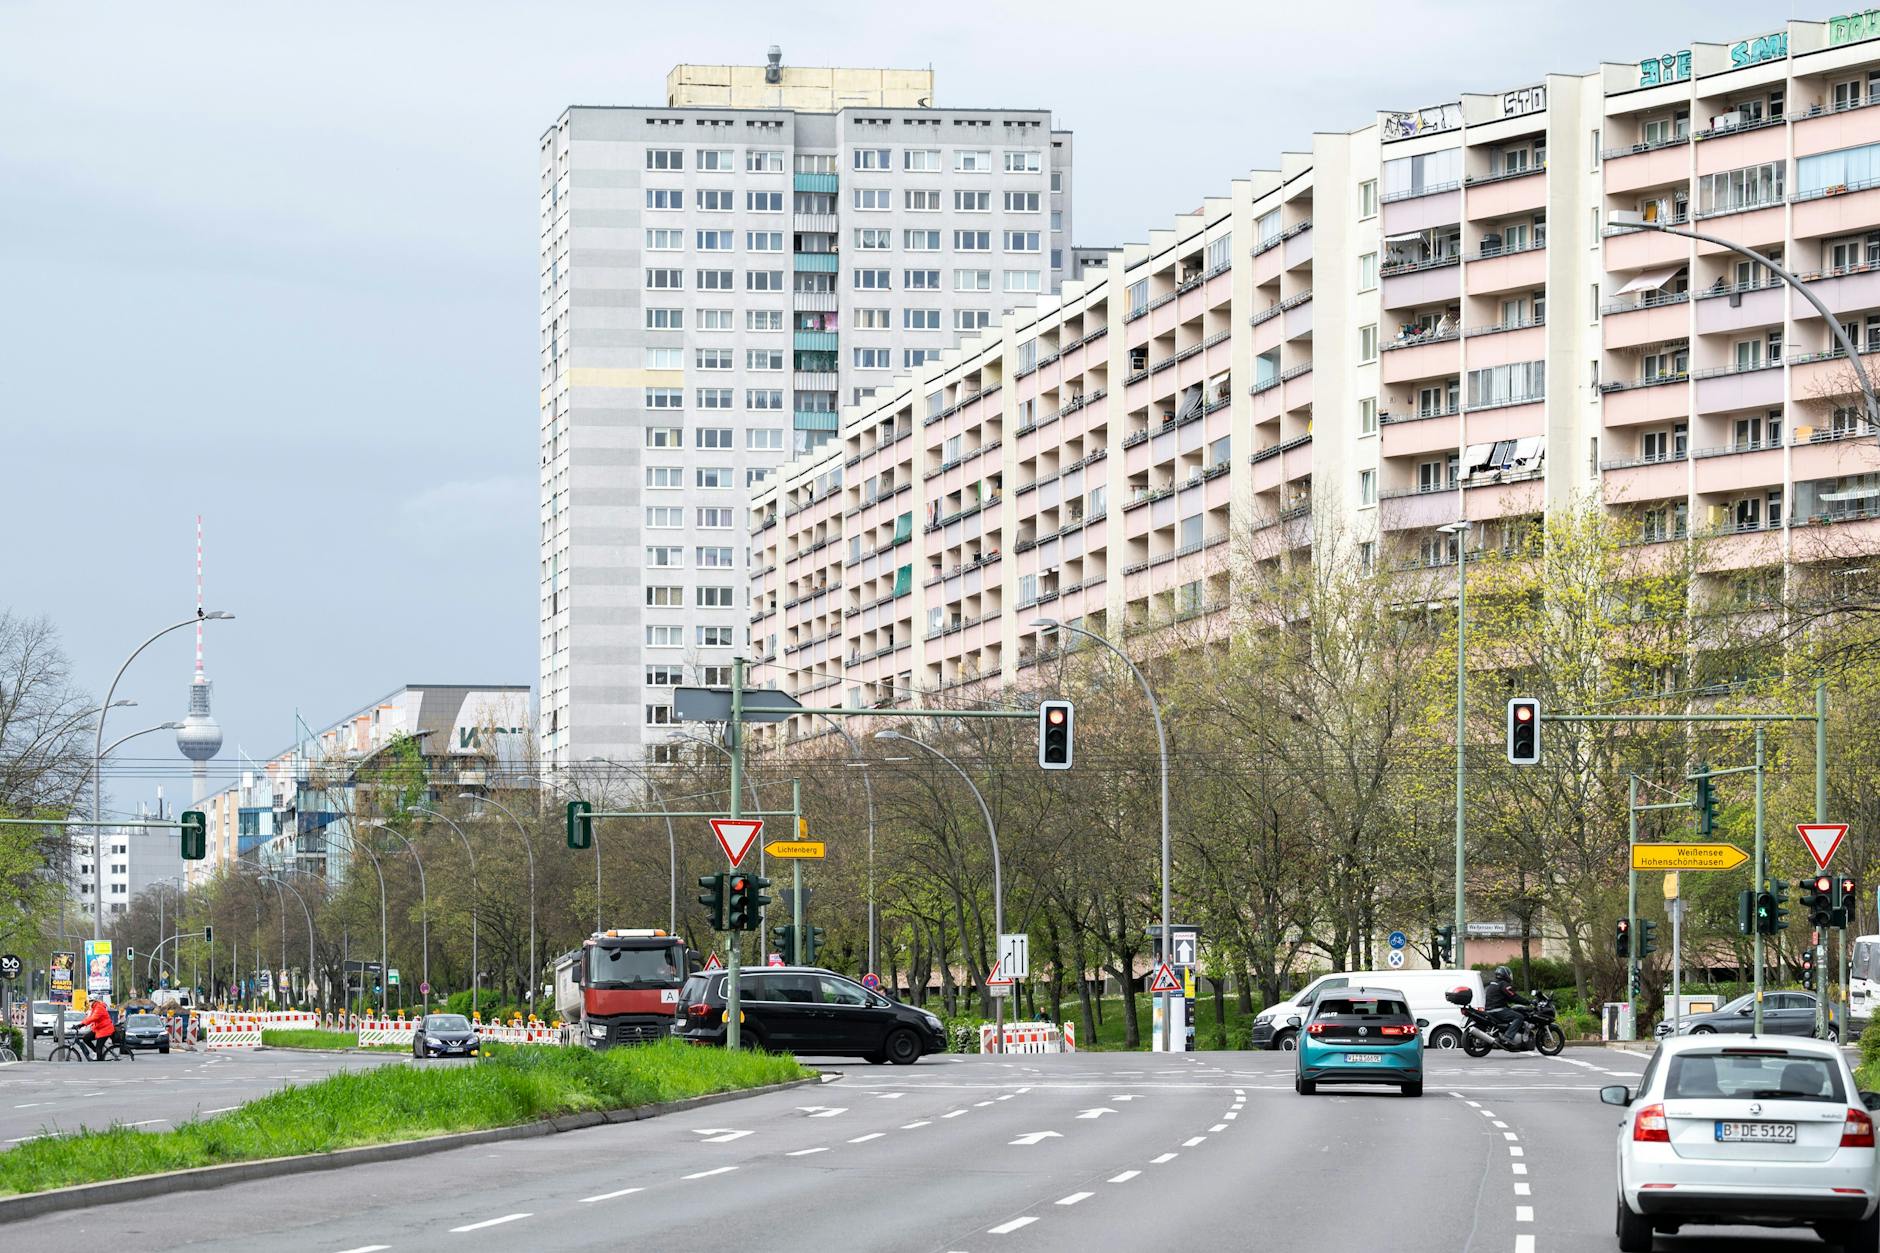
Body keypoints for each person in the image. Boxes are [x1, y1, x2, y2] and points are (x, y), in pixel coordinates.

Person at [1482, 966, 1531, 1044]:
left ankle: (1504, 1033)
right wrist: (1528, 1002)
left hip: (1489, 1009)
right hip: (1498, 1010)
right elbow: (1513, 996)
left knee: (1512, 1011)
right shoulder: (1504, 984)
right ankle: (1508, 1036)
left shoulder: (1493, 983)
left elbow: (1506, 997)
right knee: (1519, 1017)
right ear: (1505, 974)